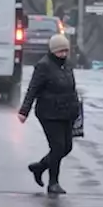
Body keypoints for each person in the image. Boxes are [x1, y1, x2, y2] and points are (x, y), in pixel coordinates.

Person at [18, 33, 80, 195]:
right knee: (58, 146)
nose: (63, 55)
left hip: (67, 111)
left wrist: (77, 110)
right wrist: (24, 111)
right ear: (53, 51)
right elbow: (33, 89)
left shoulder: (67, 65)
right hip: (49, 112)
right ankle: (53, 183)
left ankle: (39, 167)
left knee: (67, 147)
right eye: (60, 52)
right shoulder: (44, 66)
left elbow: (72, 88)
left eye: (66, 51)